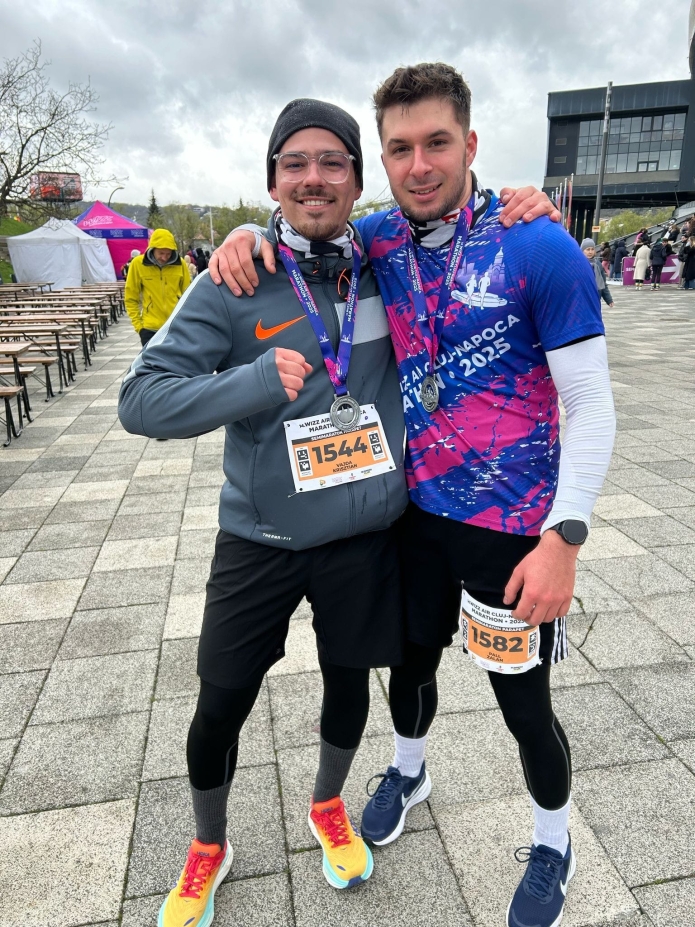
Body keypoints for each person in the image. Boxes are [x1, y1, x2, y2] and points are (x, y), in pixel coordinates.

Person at [212, 62, 615, 927]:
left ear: (470, 143)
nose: (419, 164)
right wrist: (244, 231)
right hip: (414, 517)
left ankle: (553, 841)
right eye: (399, 148)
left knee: (523, 704)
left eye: (437, 143)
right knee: (410, 667)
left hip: (513, 531)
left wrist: (564, 537)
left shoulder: (538, 246)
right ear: (382, 160)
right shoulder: (377, 239)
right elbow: (302, 221)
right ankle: (408, 768)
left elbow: (590, 403)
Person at [119, 99, 416, 926]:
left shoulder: (387, 263)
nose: (314, 178)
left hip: (362, 536)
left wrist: (518, 206)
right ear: (273, 181)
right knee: (220, 700)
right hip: (261, 537)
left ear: (356, 178)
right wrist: (248, 383)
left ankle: (327, 802)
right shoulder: (235, 279)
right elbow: (140, 400)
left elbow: (455, 213)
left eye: (332, 162)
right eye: (295, 163)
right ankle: (208, 844)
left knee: (348, 683)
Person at [124, 229, 190, 346]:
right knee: (151, 359)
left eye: (168, 254)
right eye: (161, 253)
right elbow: (131, 298)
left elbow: (189, 296)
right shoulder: (138, 264)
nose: (164, 257)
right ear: (152, 249)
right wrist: (139, 327)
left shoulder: (180, 264)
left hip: (176, 326)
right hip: (150, 328)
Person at [580, 239, 614, 307]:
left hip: (596, 297)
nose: (590, 252)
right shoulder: (578, 263)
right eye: (588, 249)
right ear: (582, 250)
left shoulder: (598, 264)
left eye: (592, 249)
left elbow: (603, 283)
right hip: (582, 299)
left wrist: (609, 299)